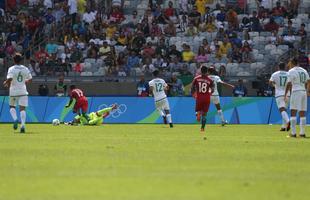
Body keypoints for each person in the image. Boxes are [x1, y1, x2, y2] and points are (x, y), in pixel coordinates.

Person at [3, 53, 32, 133]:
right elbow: (30, 79)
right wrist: (24, 81)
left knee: (12, 106)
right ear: (21, 60)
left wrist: (6, 82)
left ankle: (15, 119)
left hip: (13, 91)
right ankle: (22, 125)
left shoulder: (11, 69)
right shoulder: (25, 68)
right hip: (23, 91)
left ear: (13, 60)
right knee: (22, 109)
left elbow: (10, 78)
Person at [284, 58, 310, 138]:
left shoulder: (291, 71)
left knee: (293, 112)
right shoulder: (304, 70)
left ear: (292, 63)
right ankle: (302, 133)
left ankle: (293, 133)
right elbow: (309, 81)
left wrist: (285, 94)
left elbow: (289, 83)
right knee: (302, 113)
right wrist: (308, 91)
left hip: (296, 92)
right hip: (303, 92)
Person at [191, 66, 214, 132]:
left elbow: (192, 87)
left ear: (201, 71)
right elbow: (212, 89)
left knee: (197, 110)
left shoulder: (196, 78)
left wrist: (193, 94)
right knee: (204, 114)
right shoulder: (210, 80)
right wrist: (210, 93)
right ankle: (202, 128)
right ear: (207, 71)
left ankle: (198, 114)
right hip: (207, 97)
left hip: (199, 97)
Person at [269, 62, 290, 131]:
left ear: (278, 67)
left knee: (281, 110)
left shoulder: (275, 74)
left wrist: (274, 85)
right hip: (288, 94)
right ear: (285, 67)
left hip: (279, 94)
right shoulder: (288, 74)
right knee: (284, 110)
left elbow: (270, 82)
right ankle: (283, 127)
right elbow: (291, 83)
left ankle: (288, 121)